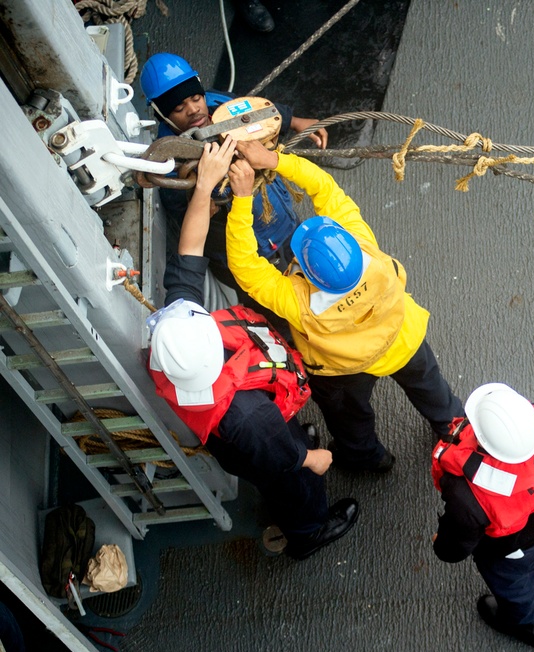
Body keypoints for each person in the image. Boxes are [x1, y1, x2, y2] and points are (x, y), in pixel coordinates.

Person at [147, 136, 358, 560]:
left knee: (286, 448)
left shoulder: (175, 334)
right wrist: (311, 458)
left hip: (248, 434)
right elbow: (279, 455)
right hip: (262, 447)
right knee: (293, 483)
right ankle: (308, 532)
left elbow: (189, 251)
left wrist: (204, 186)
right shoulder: (247, 416)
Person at [224, 140, 463, 473]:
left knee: (349, 416)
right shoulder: (365, 245)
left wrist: (241, 198)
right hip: (402, 337)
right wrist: (275, 159)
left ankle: (366, 458)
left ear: (307, 274)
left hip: (342, 371)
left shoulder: (298, 300)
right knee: (429, 385)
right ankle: (453, 429)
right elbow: (326, 188)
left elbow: (245, 266)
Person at [138, 52, 328, 293]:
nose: (194, 110)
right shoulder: (169, 165)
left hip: (284, 222)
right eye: (178, 108)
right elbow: (187, 224)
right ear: (163, 114)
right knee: (278, 304)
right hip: (247, 256)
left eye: (196, 98)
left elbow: (256, 110)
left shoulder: (221, 104)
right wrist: (202, 207)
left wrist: (294, 121)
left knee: (317, 275)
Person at [431, 383, 534, 648]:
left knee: (515, 590)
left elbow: (456, 544)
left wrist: (442, 544)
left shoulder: (466, 494)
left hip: (514, 553)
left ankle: (529, 627)